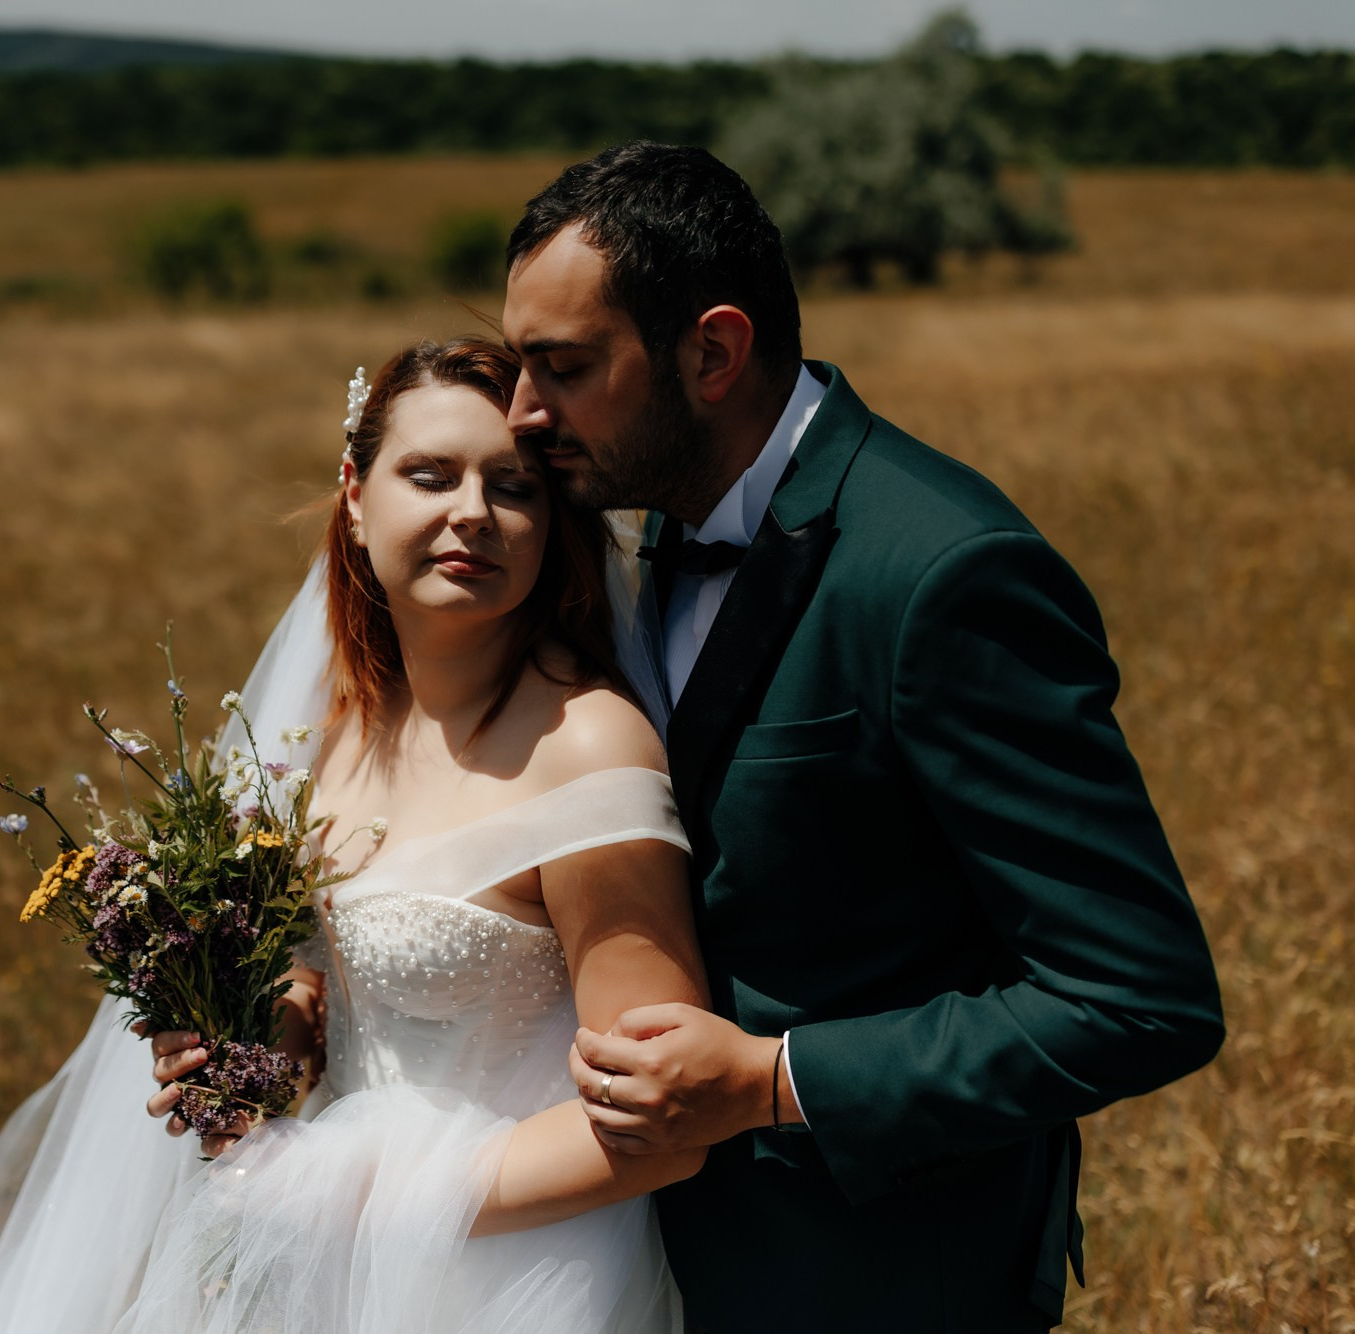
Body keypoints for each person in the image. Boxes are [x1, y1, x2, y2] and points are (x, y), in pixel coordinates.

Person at [500, 142, 1226, 1331]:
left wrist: (771, 1079)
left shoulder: (942, 573)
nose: (524, 415)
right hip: (626, 1259)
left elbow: (1138, 998)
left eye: (563, 368)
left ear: (712, 351)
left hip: (870, 1274)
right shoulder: (619, 539)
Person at [0, 337, 718, 1334]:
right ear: (354, 491)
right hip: (324, 1256)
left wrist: (361, 1191)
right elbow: (326, 985)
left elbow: (661, 1129)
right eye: (429, 473)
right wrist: (249, 1045)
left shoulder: (582, 743)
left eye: (513, 486)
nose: (472, 511)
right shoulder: (330, 736)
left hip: (511, 1270)